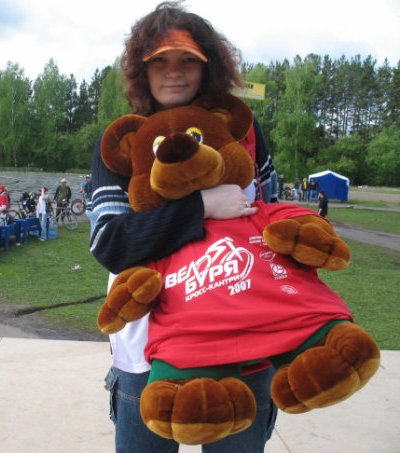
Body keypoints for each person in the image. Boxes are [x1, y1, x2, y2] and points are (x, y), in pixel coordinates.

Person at [88, 3, 278, 452]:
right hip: (147, 349)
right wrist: (201, 208)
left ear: (208, 67)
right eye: (160, 61)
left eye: (188, 59)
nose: (174, 71)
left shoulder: (244, 135)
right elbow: (110, 243)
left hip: (243, 343)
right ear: (142, 70)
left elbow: (270, 227)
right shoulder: (123, 141)